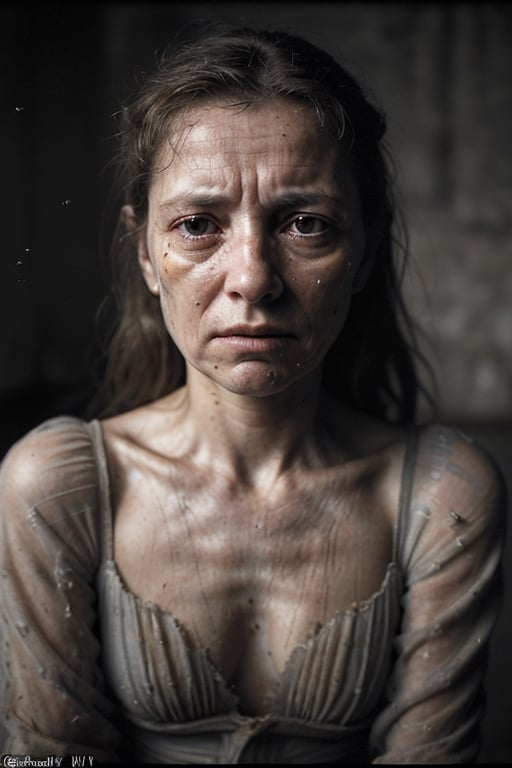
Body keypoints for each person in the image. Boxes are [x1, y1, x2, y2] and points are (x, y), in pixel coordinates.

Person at [0, 25, 506, 764]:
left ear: (364, 250)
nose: (252, 280)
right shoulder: (54, 486)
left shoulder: (442, 495)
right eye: (198, 226)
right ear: (145, 252)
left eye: (306, 225)